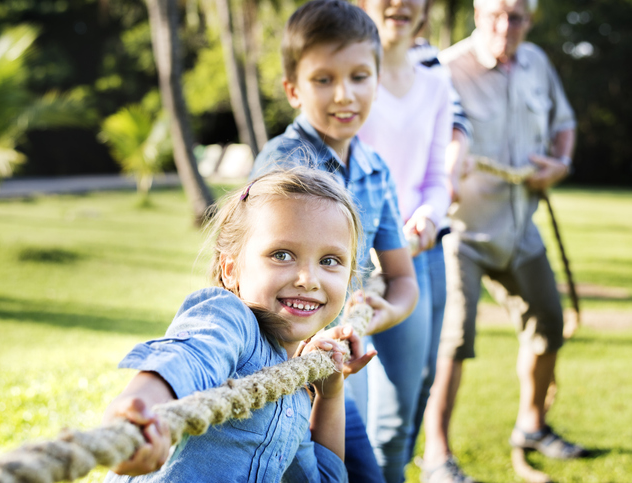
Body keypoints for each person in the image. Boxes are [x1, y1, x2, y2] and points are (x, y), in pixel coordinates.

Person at [102, 168, 377, 482]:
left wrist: (330, 394)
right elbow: (188, 357)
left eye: (329, 261)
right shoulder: (230, 319)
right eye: (282, 254)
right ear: (230, 269)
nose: (308, 280)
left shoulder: (294, 394)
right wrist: (136, 413)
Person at [251, 1, 419, 481]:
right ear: (293, 90)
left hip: (330, 374)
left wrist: (385, 311)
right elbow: (258, 280)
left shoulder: (374, 170)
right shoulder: (284, 164)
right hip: (278, 371)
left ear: (377, 80)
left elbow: (403, 277)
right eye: (323, 79)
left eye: (359, 77)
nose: (344, 95)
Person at [420, 0, 587, 481]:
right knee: (453, 341)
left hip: (521, 227)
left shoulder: (537, 63)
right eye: (495, 14)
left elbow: (565, 124)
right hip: (461, 233)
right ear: (477, 14)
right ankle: (436, 456)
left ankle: (533, 426)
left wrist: (560, 163)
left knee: (550, 322)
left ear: (529, 21)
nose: (504, 26)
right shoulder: (447, 68)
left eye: (515, 17)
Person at [354, 1, 458, 481]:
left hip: (421, 253)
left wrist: (428, 217)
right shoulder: (350, 80)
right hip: (356, 263)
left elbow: (438, 176)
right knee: (348, 405)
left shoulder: (437, 84)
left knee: (414, 391)